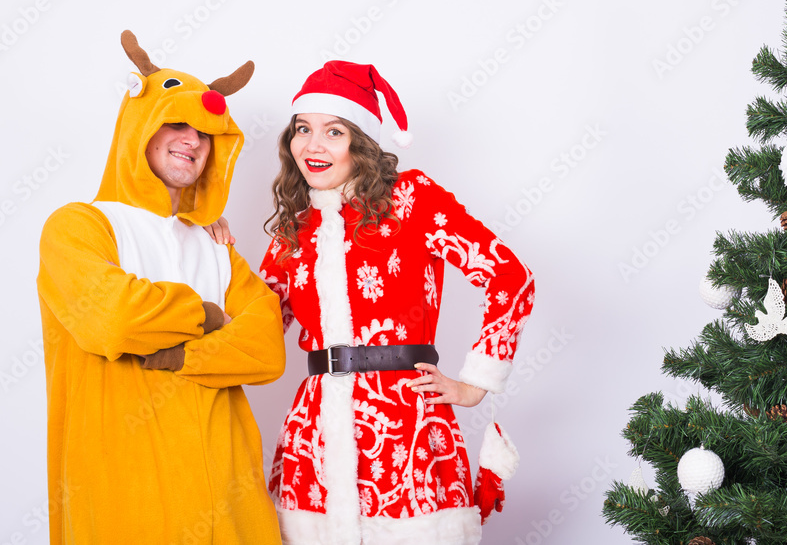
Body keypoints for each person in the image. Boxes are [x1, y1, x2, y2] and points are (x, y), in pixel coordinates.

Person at [256, 61, 534, 544]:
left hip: (407, 429)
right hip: (314, 437)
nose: (313, 145)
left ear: (361, 142)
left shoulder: (412, 199)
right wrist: (210, 247)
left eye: (334, 131)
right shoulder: (293, 232)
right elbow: (252, 327)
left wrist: (476, 383)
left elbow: (510, 278)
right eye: (303, 129)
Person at [36, 31, 286, 544]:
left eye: (205, 133)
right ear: (140, 125)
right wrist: (209, 317)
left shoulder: (216, 246)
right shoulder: (78, 226)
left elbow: (266, 349)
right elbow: (113, 320)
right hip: (126, 504)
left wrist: (177, 354)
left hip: (227, 505)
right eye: (176, 123)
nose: (193, 140)